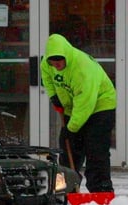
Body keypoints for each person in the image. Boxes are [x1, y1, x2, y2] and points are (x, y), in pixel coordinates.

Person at [40, 33, 116, 193]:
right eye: (53, 62)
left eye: (59, 61)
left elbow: (85, 102)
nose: (57, 65)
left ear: (66, 55)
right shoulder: (46, 64)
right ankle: (68, 189)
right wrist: (54, 97)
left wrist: (72, 128)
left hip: (100, 106)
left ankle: (100, 190)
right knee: (69, 149)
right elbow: (47, 78)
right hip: (74, 107)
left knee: (95, 149)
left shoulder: (82, 67)